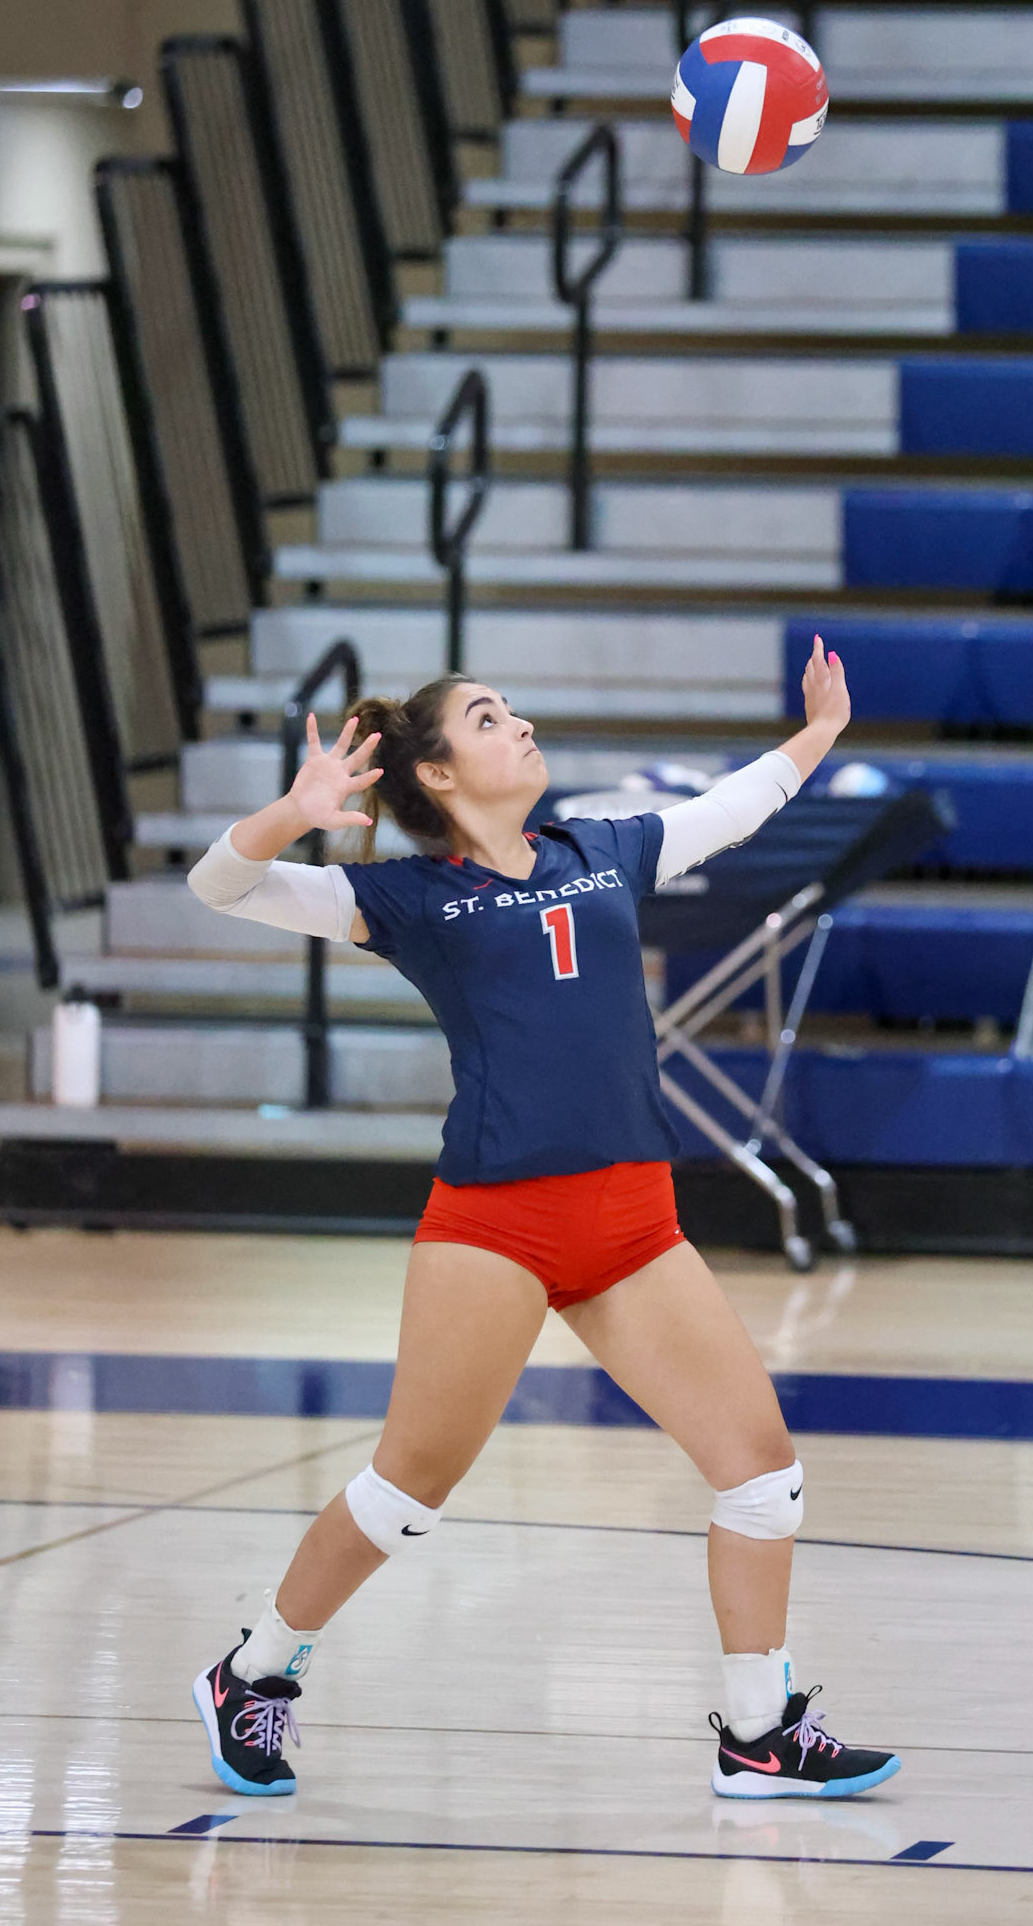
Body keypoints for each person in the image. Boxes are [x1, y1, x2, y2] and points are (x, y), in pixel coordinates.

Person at [185, 635, 900, 1803]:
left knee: (761, 1473)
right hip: (494, 1227)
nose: (516, 723)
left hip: (635, 1221)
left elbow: (727, 810)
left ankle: (759, 1731)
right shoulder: (404, 896)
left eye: (510, 707)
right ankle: (255, 1669)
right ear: (439, 779)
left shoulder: (603, 847)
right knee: (406, 1491)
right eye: (485, 717)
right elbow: (223, 886)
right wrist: (294, 810)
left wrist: (816, 738)